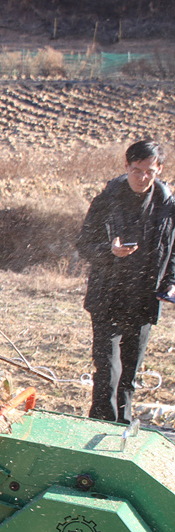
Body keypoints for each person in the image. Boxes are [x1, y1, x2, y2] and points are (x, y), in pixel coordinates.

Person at [77, 139, 175, 424]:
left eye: (149, 172)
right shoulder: (106, 200)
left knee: (129, 374)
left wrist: (170, 281)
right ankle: (101, 426)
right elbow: (83, 245)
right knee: (108, 373)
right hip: (107, 296)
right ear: (126, 166)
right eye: (136, 170)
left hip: (144, 298)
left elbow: (173, 250)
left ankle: (123, 426)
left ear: (159, 169)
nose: (142, 177)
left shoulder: (167, 206)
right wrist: (109, 251)